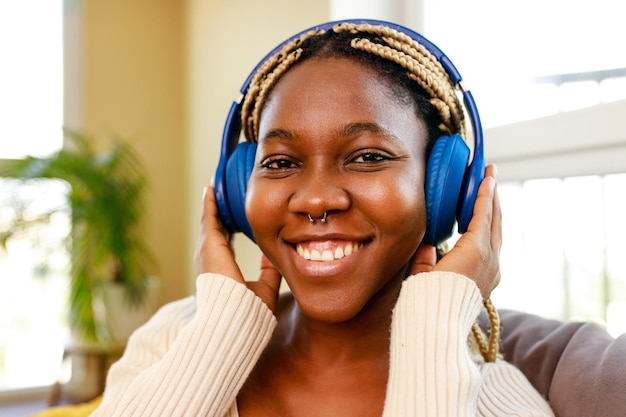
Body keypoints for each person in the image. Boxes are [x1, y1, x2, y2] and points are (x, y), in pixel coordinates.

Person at [89, 20, 554, 416]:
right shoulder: (175, 338)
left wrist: (433, 333)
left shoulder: (494, 399)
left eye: (368, 156)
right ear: (235, 190)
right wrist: (218, 335)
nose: (315, 200)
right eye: (279, 162)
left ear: (448, 188)